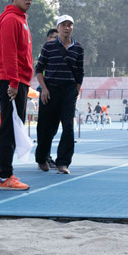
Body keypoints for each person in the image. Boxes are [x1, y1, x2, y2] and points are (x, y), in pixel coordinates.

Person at [0, 0, 36, 191]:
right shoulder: (11, 19)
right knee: (9, 130)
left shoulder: (20, 19)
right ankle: (4, 176)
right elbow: (9, 53)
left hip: (18, 81)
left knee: (12, 128)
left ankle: (6, 174)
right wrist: (13, 82)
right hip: (12, 82)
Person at [34, 14, 84, 175]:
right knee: (45, 128)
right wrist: (44, 89)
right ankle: (42, 158)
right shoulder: (48, 47)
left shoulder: (78, 48)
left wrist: (76, 90)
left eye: (70, 25)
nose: (67, 28)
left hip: (69, 91)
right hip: (50, 90)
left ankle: (63, 163)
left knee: (68, 126)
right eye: (63, 25)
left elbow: (80, 72)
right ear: (58, 28)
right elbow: (39, 69)